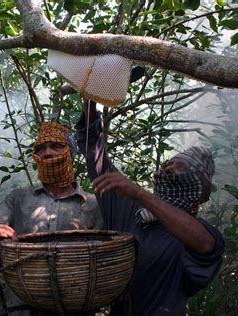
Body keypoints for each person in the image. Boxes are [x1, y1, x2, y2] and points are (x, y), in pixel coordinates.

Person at [75, 100, 225, 315]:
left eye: (181, 167)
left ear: (199, 184)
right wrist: (90, 98)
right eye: (168, 165)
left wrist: (138, 192)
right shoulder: (131, 212)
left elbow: (204, 244)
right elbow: (94, 149)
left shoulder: (201, 234)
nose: (170, 170)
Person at [0, 121, 102, 315]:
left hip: (77, 307)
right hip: (23, 307)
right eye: (41, 148)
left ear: (70, 153)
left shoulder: (93, 205)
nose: (47, 153)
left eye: (56, 146)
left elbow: (105, 255)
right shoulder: (19, 198)